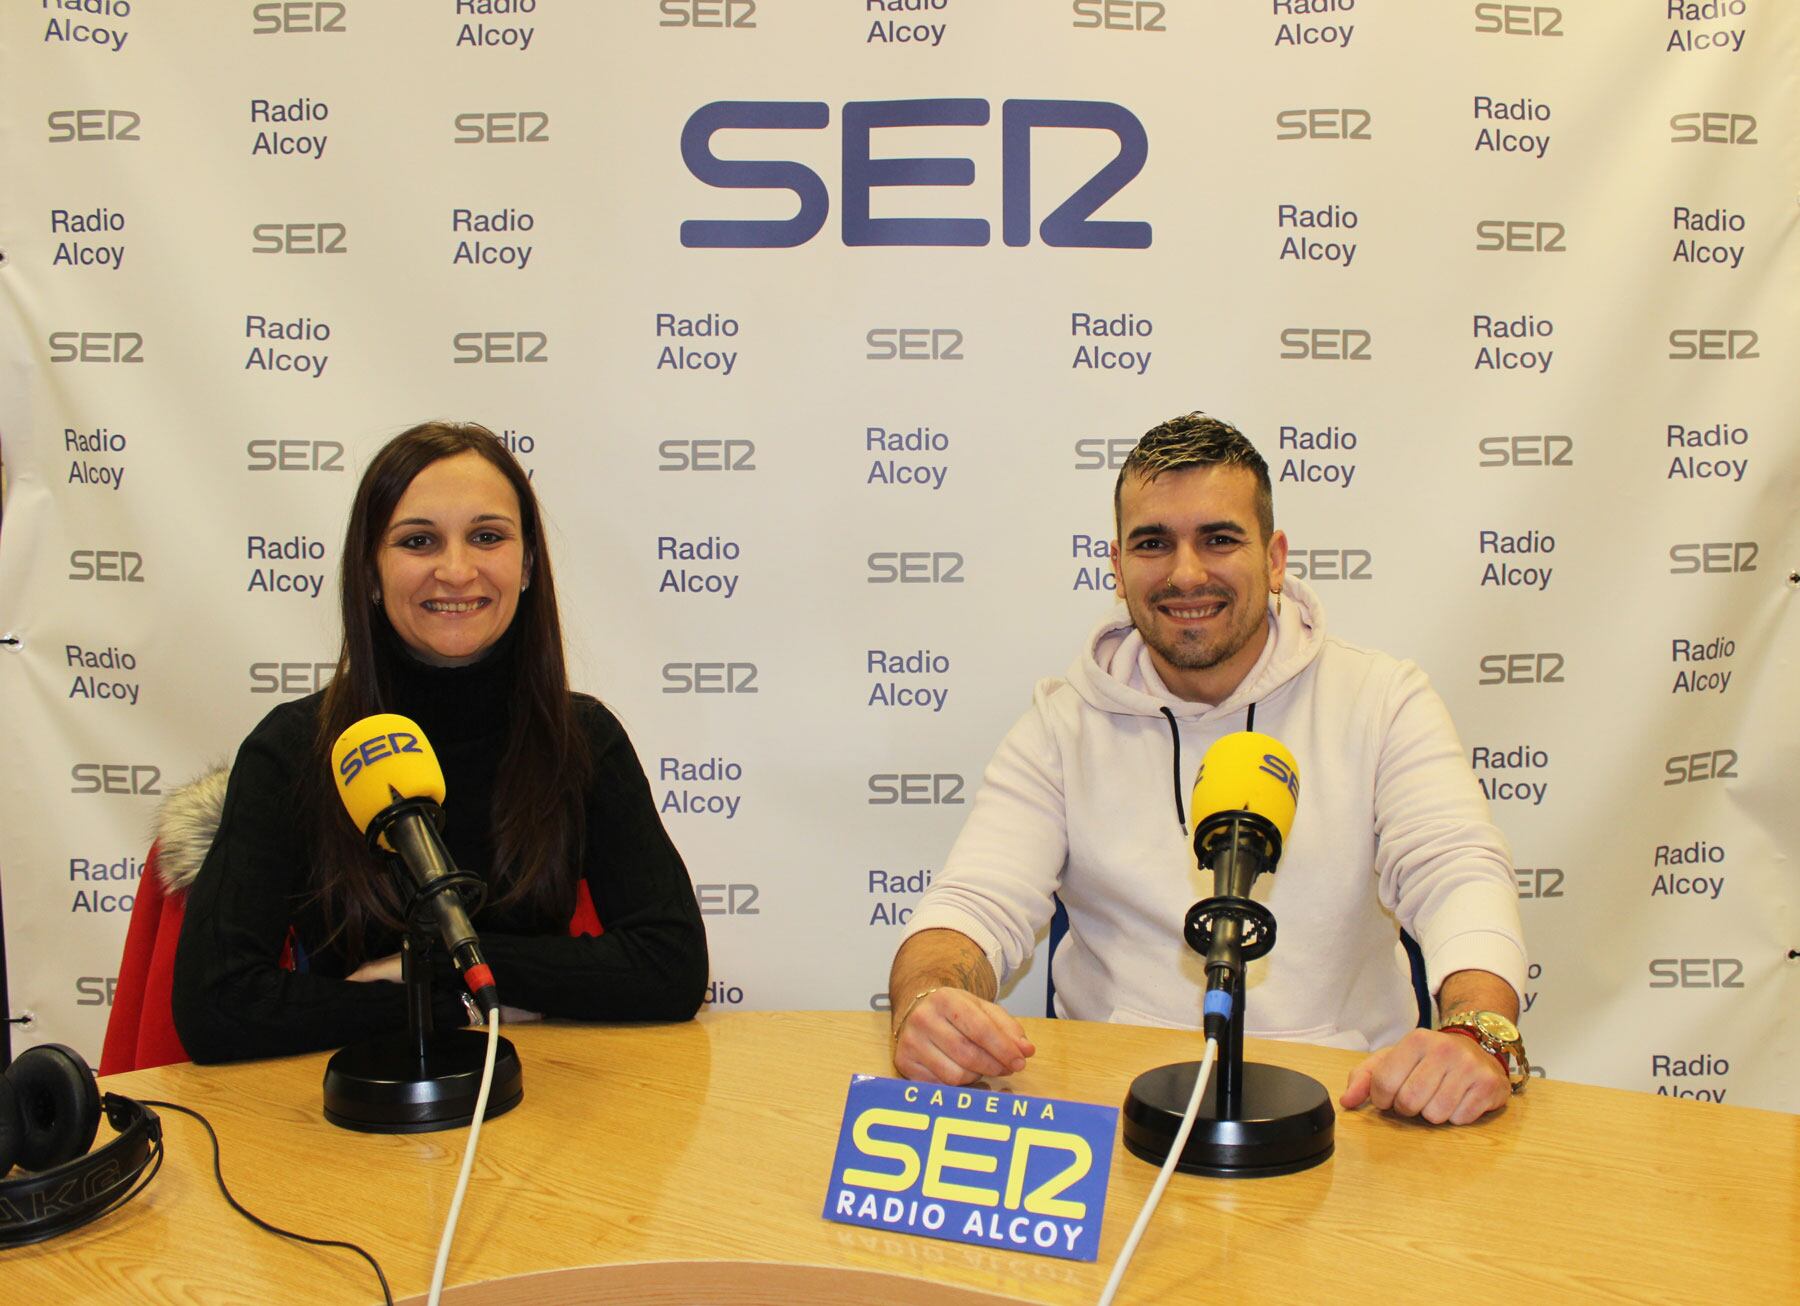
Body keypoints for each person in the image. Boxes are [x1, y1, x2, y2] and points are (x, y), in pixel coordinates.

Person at [888, 413, 1528, 1125]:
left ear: (1276, 558)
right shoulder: (1061, 724)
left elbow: (1458, 876)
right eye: (1153, 544)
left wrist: (1478, 1031)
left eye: (1219, 539)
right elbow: (973, 905)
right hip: (1117, 1117)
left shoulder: (1382, 699)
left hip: (1350, 1114)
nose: (1186, 572)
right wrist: (927, 1000)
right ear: (1118, 567)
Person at [173, 421, 708, 1061]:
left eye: (487, 537)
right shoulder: (293, 749)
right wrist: (440, 1005)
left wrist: (438, 970)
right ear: (370, 573)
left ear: (529, 564)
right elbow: (215, 1006)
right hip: (346, 1126)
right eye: (419, 541)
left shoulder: (582, 739)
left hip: (543, 1109)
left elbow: (671, 967)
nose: (456, 571)